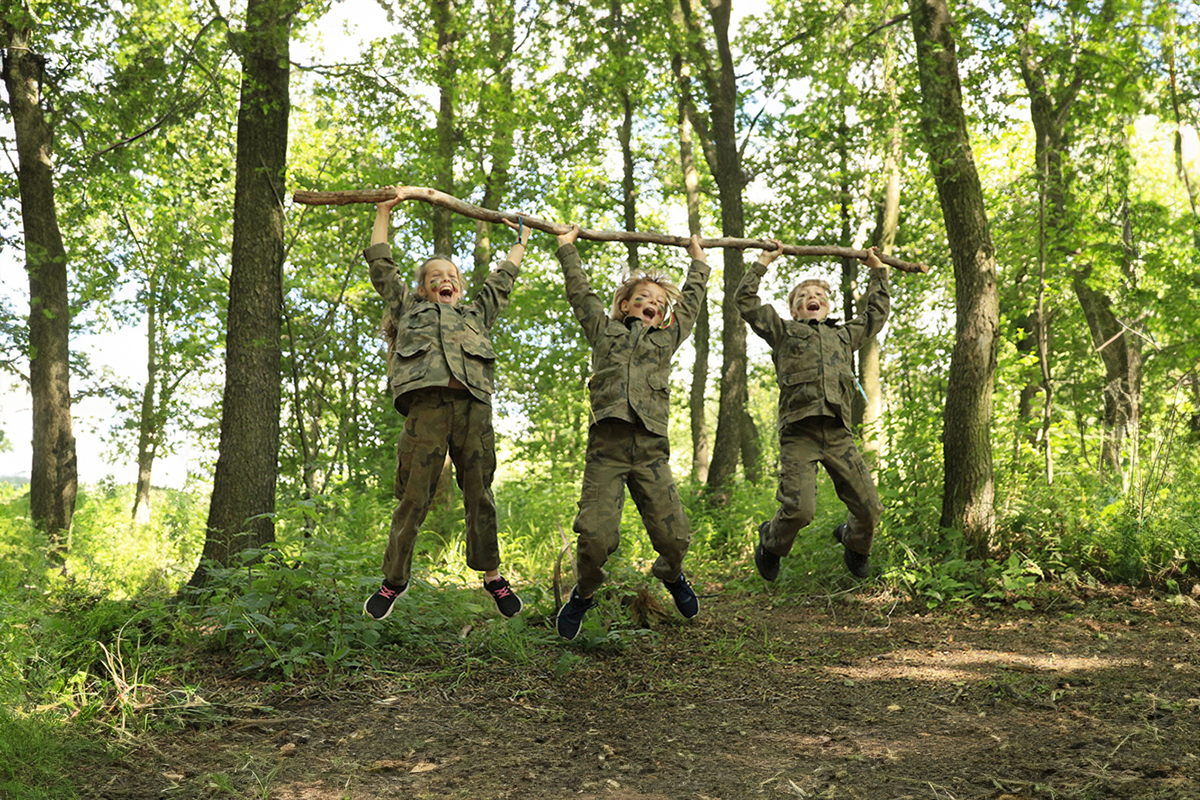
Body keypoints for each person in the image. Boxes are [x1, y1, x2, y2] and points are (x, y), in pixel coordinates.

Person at [362, 187, 529, 621]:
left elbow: (502, 280)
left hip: (474, 410)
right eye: (434, 276)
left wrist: (519, 242)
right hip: (428, 410)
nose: (444, 280)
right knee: (412, 497)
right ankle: (393, 581)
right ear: (422, 288)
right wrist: (383, 212)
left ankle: (492, 577)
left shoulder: (476, 314)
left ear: (460, 285)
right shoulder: (407, 308)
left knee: (480, 494)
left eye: (451, 275)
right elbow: (381, 264)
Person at [552, 224, 710, 640]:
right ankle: (583, 593)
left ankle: (672, 576)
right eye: (641, 299)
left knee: (674, 535)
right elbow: (580, 295)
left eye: (657, 302)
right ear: (624, 305)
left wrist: (699, 262)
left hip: (650, 451)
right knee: (596, 537)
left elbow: (691, 304)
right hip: (608, 449)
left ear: (665, 313)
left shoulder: (667, 338)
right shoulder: (604, 331)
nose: (649, 305)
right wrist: (567, 249)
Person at [736, 241, 890, 581]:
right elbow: (745, 302)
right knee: (799, 510)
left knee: (869, 508)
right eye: (803, 296)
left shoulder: (844, 335)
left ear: (827, 305)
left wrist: (878, 271)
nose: (811, 298)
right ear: (794, 310)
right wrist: (763, 261)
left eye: (818, 294)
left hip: (837, 432)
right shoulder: (784, 331)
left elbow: (876, 313)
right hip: (799, 433)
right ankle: (771, 543)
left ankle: (853, 541)